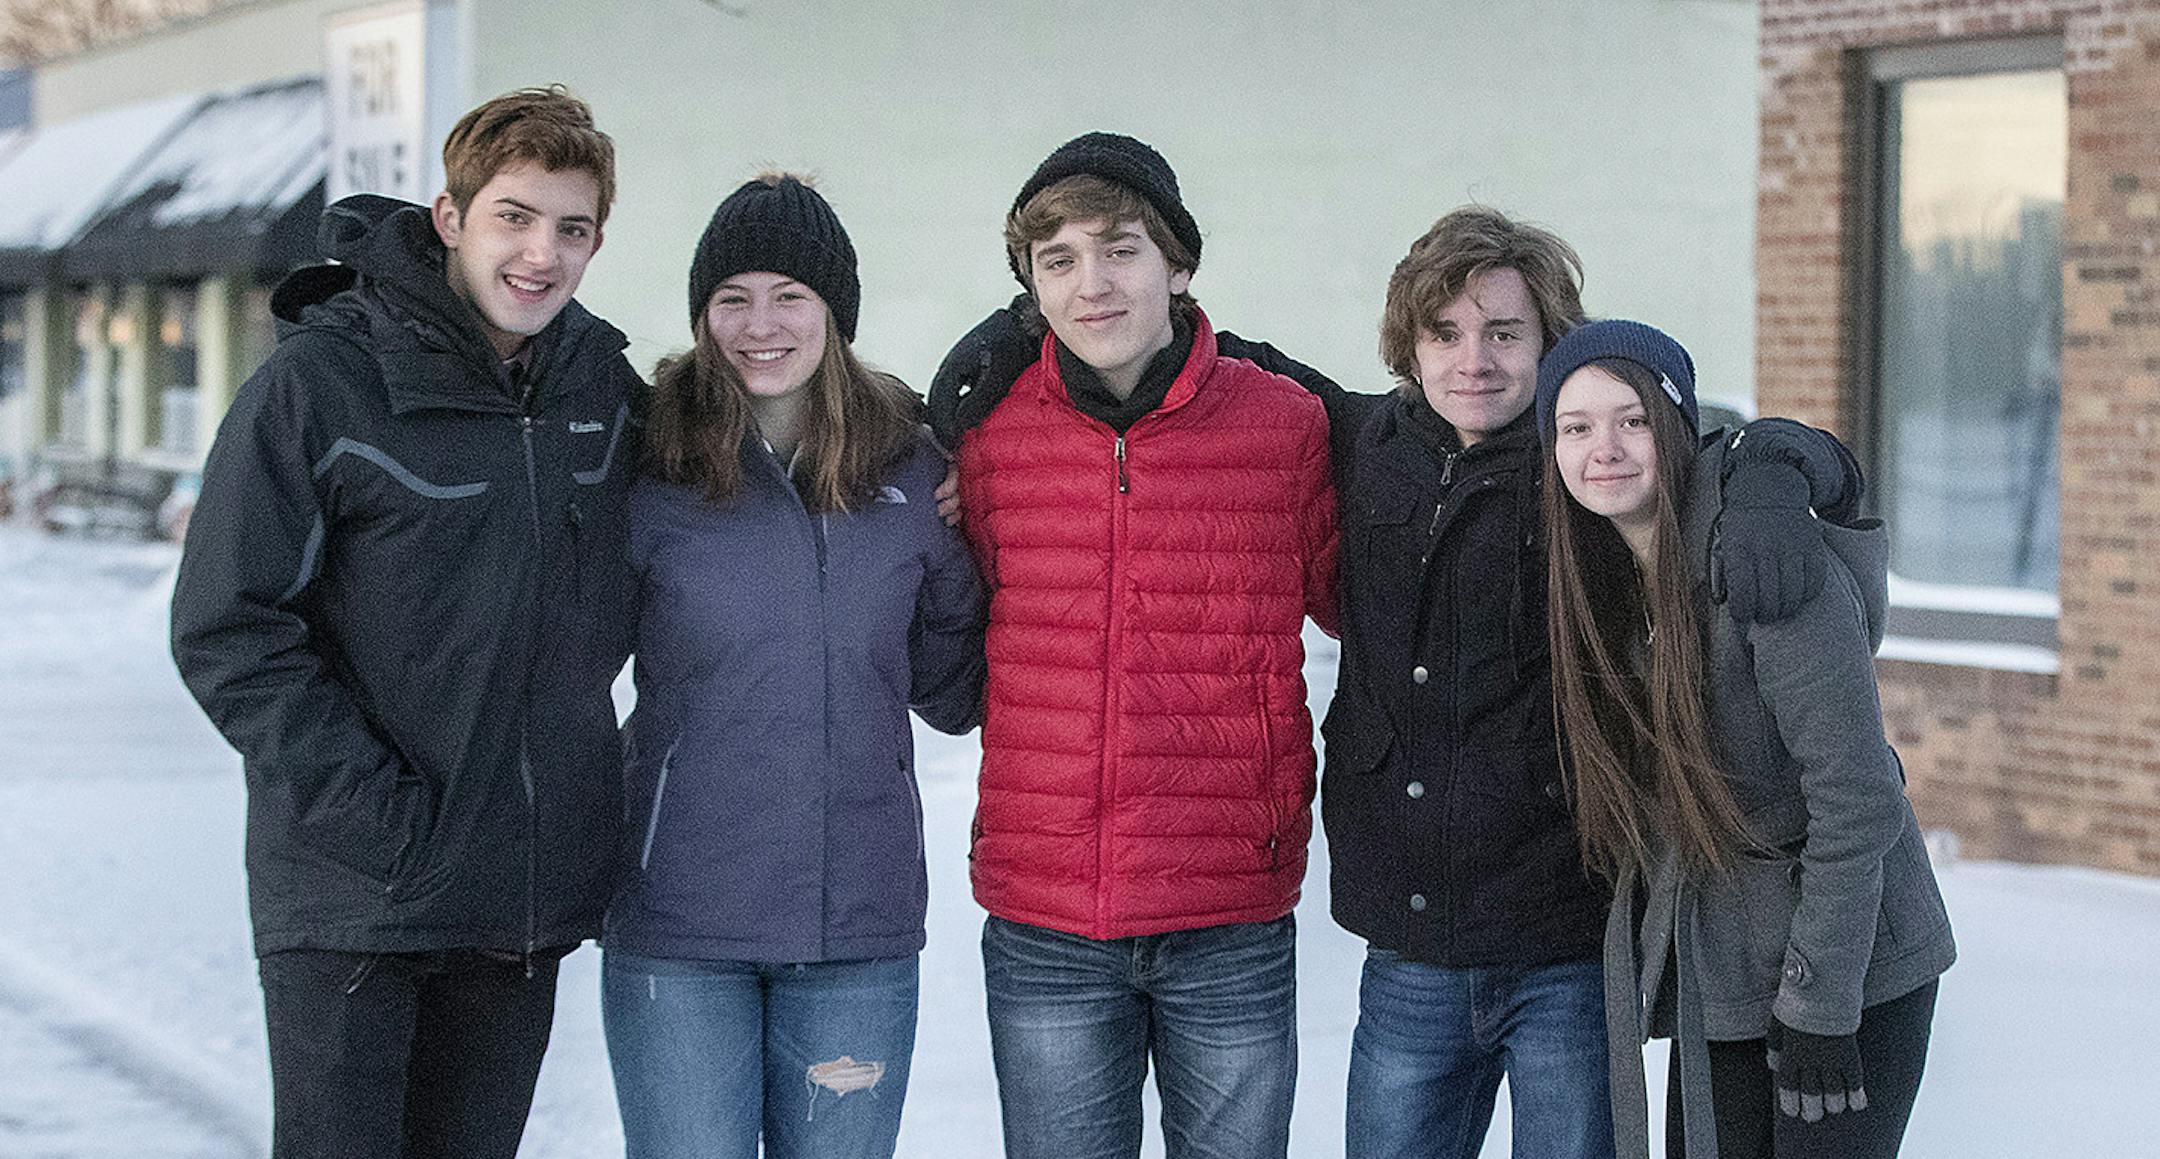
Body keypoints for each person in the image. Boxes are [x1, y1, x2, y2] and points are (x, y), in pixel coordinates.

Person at [1320, 208, 1866, 1159]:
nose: (1474, 360)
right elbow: (1212, 359)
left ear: (1550, 340)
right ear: (1408, 346)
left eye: (1504, 332)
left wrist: (1790, 468)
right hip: (1411, 942)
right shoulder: (1369, 445)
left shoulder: (1586, 461)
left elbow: (1721, 449)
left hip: (1569, 936)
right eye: (1444, 333)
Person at [169, 87, 637, 1158]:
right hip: (355, 902)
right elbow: (227, 624)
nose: (540, 254)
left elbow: (734, 484)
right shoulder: (320, 386)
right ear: (450, 217)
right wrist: (375, 815)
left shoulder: (598, 391)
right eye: (514, 216)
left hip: (515, 899)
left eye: (571, 229)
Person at [945, 132, 1337, 1159]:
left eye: (1119, 249)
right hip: (1048, 919)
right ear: (1030, 286)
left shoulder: (1284, 428)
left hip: (1228, 912)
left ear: (1178, 263)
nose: (1093, 284)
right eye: (1058, 259)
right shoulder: (987, 440)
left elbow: (1377, 594)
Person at [598, 172, 985, 1159]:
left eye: (790, 297)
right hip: (680, 929)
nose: (760, 325)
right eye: (732, 298)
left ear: (834, 314)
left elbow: (953, 690)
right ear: (701, 315)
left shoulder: (910, 468)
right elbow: (562, 654)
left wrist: (977, 533)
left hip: (857, 927)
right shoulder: (648, 464)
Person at [1535, 319, 1956, 1159]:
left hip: (1851, 963)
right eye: (1575, 427)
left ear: (1676, 423)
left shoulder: (1762, 561)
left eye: (1632, 419)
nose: (1604, 448)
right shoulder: (1605, 586)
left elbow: (1856, 796)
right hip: (1722, 969)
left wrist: (1820, 1008)